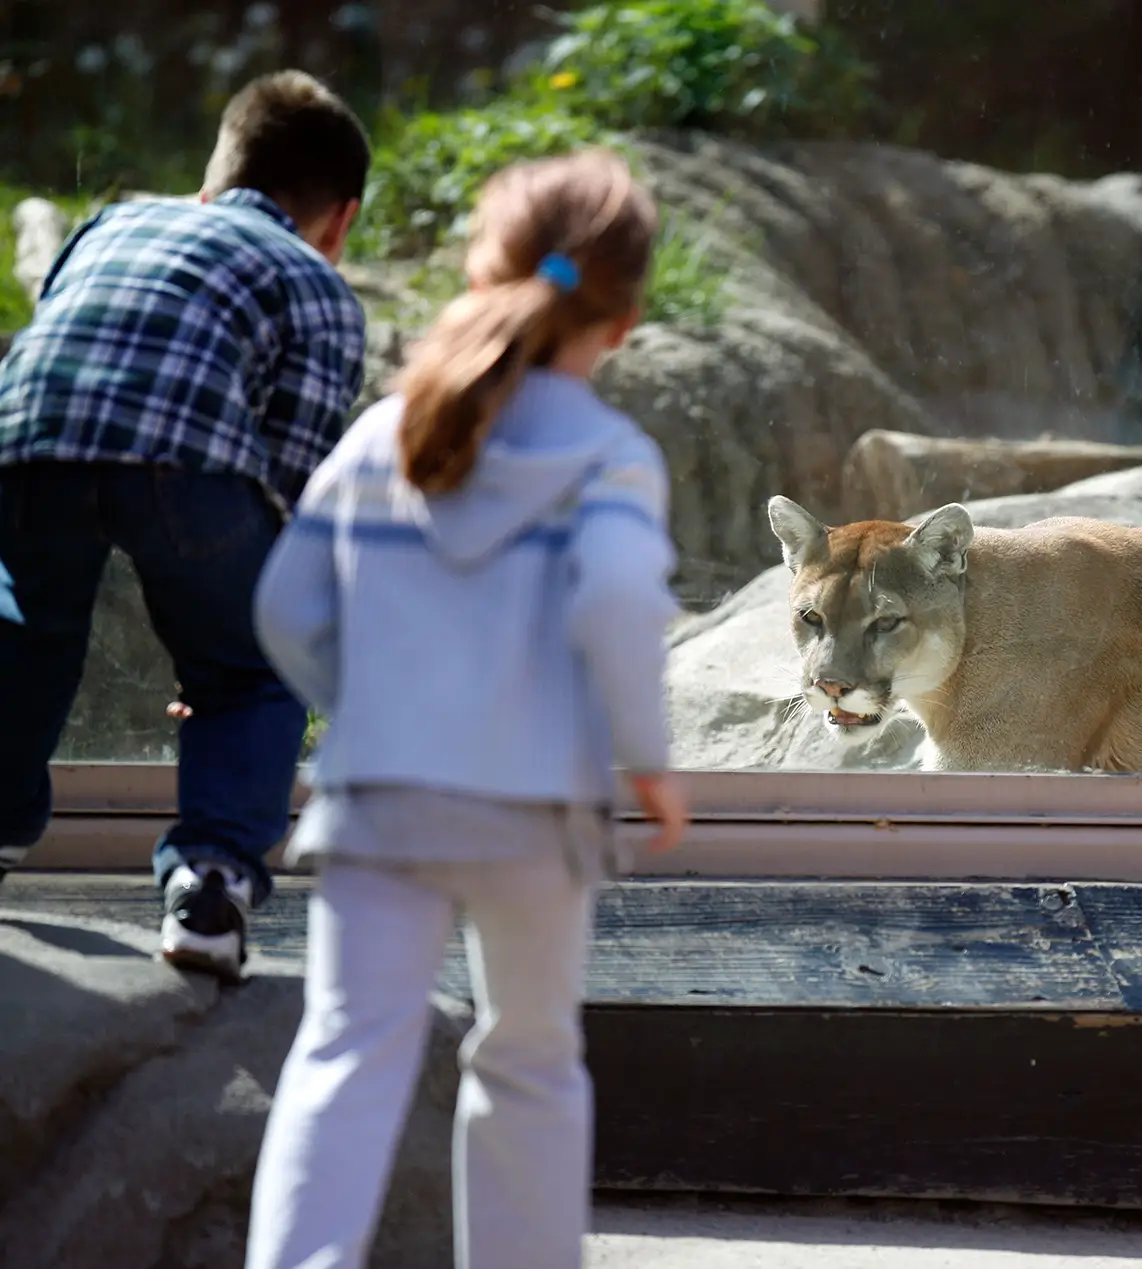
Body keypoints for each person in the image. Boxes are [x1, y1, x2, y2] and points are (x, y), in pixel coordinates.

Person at [242, 148, 691, 1269]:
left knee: (345, 1051)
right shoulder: (611, 458)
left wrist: (372, 710)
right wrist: (646, 759)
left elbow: (287, 605)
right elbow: (621, 598)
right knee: (530, 1061)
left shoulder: (386, 434)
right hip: (532, 812)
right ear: (626, 322)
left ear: (482, 275)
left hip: (379, 801)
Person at [0, 70, 370, 980]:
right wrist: (232, 626)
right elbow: (290, 494)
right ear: (342, 221)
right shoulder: (319, 288)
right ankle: (209, 887)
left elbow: (61, 344)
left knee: (25, 634)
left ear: (211, 179)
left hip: (26, 440)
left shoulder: (113, 222)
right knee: (253, 669)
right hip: (187, 469)